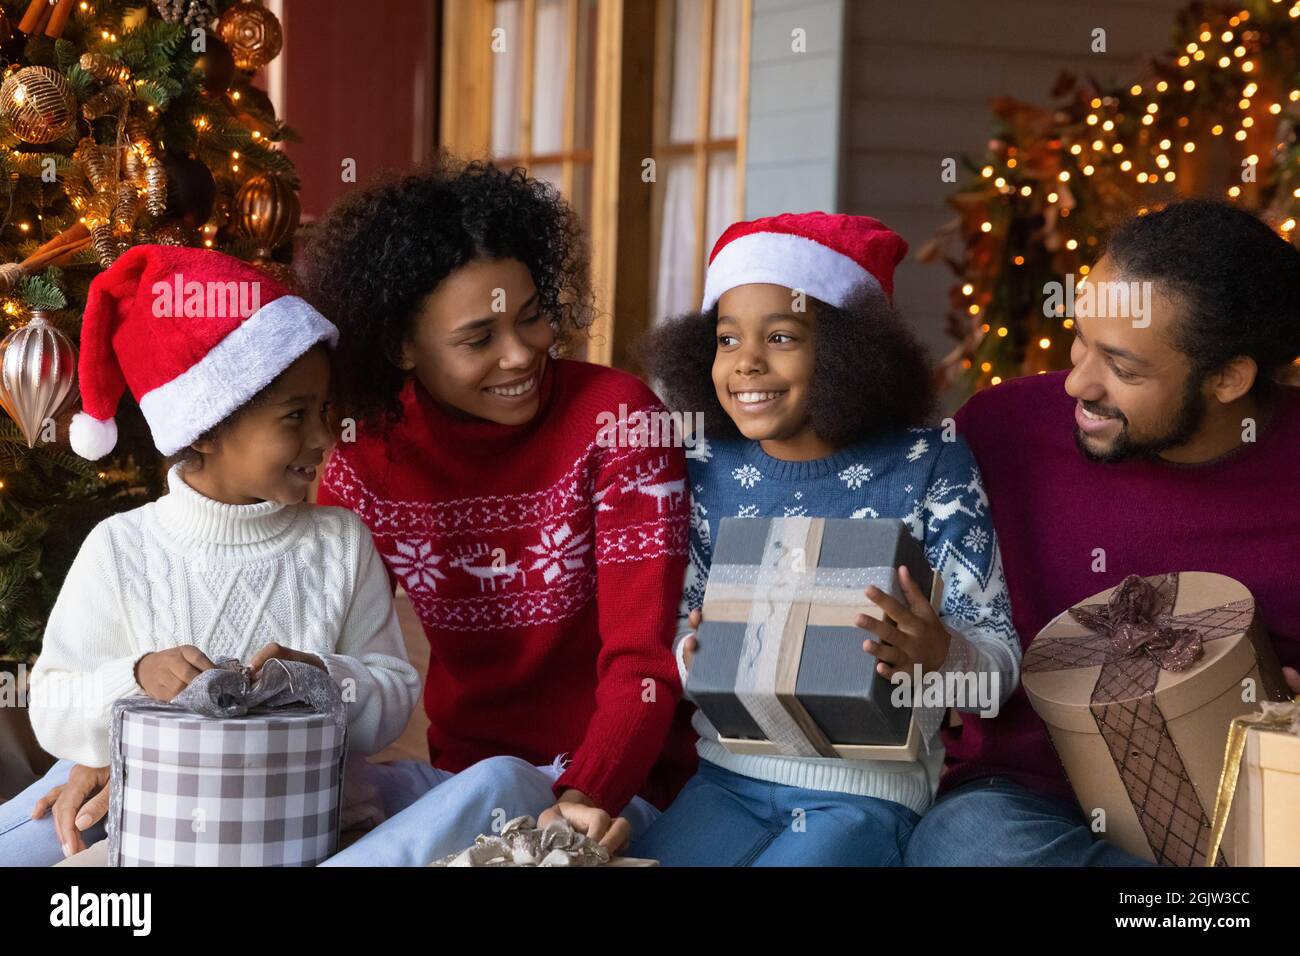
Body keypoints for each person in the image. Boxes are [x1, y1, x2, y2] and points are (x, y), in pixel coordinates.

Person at [305, 157, 697, 866]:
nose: (521, 356)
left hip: (614, 792)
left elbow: (646, 659)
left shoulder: (621, 421)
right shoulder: (368, 455)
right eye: (478, 339)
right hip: (459, 783)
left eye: (532, 317)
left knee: (500, 780)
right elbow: (313, 640)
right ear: (400, 346)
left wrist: (587, 794)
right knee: (342, 797)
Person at [905, 199, 1300, 866]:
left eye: (1123, 367)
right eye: (1081, 337)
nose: (1076, 381)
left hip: (1260, 804)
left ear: (1229, 378)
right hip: (1032, 799)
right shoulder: (999, 432)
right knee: (965, 846)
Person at [1, 246, 420, 866]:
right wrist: (136, 678)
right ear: (204, 427)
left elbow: (395, 690)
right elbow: (56, 704)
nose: (324, 437)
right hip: (155, 825)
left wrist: (324, 680)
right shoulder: (123, 549)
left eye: (325, 411)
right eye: (296, 416)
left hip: (308, 828)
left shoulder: (339, 543)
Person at [629, 212, 1020, 865]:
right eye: (726, 339)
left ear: (849, 351)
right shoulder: (703, 466)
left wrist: (941, 657)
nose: (747, 361)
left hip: (868, 797)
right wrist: (692, 656)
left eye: (781, 336)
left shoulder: (929, 464)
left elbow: (997, 666)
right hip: (724, 782)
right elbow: (671, 635)